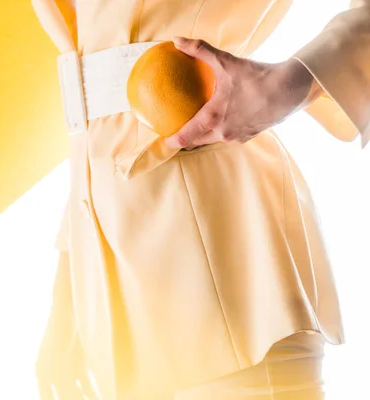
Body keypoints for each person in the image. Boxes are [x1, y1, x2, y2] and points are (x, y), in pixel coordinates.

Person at [31, 1, 370, 399]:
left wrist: (289, 86)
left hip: (223, 262)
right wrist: (69, 298)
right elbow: (101, 126)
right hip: (113, 301)